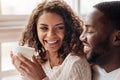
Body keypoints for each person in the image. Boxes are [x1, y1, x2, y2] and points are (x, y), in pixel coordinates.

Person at [10, 0, 91, 80]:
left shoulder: (76, 64)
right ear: (35, 31)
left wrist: (41, 78)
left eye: (59, 27)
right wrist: (24, 73)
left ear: (69, 30)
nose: (51, 35)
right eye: (44, 28)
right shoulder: (39, 63)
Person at [80, 1, 120, 80]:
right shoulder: (82, 69)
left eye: (90, 31)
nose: (81, 37)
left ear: (117, 38)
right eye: (84, 29)